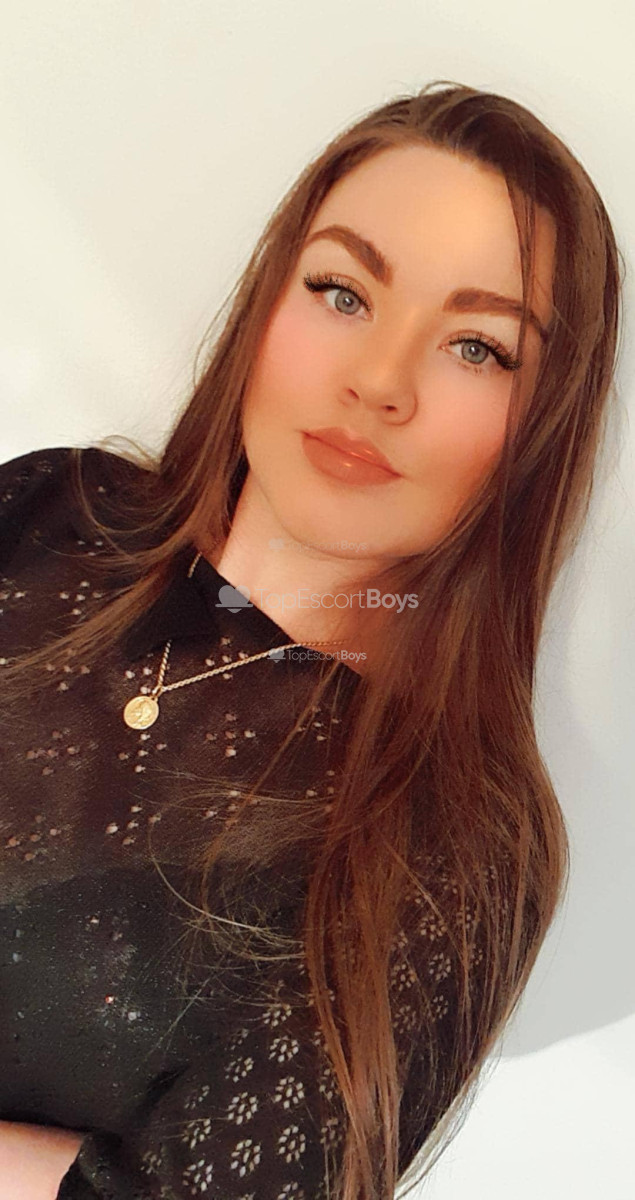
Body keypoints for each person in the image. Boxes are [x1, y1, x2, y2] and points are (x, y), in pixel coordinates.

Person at [0, 80, 622, 1200]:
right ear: (267, 303)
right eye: (341, 292)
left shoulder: (453, 833)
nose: (377, 382)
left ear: (537, 430)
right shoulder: (50, 509)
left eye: (476, 348)